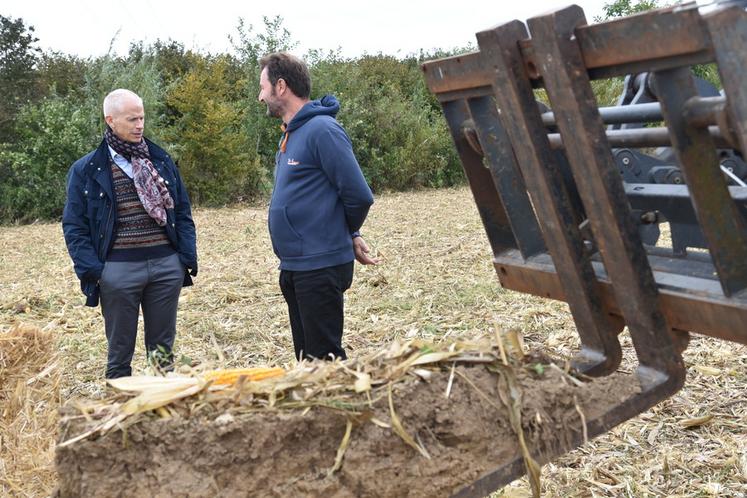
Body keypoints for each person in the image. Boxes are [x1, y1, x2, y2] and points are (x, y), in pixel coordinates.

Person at [62, 89, 197, 379]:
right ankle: (119, 420)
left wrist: (183, 259)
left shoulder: (159, 159)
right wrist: (96, 271)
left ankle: (159, 419)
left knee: (162, 358)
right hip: (117, 272)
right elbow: (74, 226)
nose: (139, 125)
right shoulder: (86, 169)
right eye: (132, 119)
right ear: (110, 120)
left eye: (142, 118)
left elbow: (182, 212)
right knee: (119, 358)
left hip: (165, 268)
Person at [258, 52, 378, 361]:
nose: (261, 97)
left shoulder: (322, 130)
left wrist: (348, 231)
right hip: (296, 265)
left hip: (319, 265)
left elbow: (358, 195)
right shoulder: (291, 136)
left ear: (280, 87)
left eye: (263, 88)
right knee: (306, 361)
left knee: (325, 362)